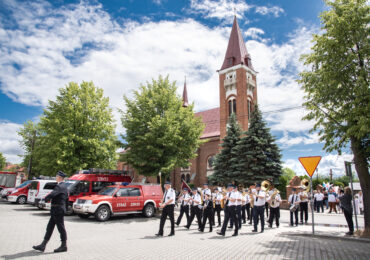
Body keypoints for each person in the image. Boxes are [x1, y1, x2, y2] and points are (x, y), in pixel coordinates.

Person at [33, 171, 69, 253]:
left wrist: (45, 199)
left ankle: (64, 246)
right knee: (49, 227)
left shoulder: (60, 186)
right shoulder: (64, 186)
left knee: (61, 228)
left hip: (57, 209)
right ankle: (43, 245)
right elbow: (67, 199)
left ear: (59, 177)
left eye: (56, 176)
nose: (56, 177)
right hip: (58, 209)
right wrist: (65, 209)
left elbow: (52, 194)